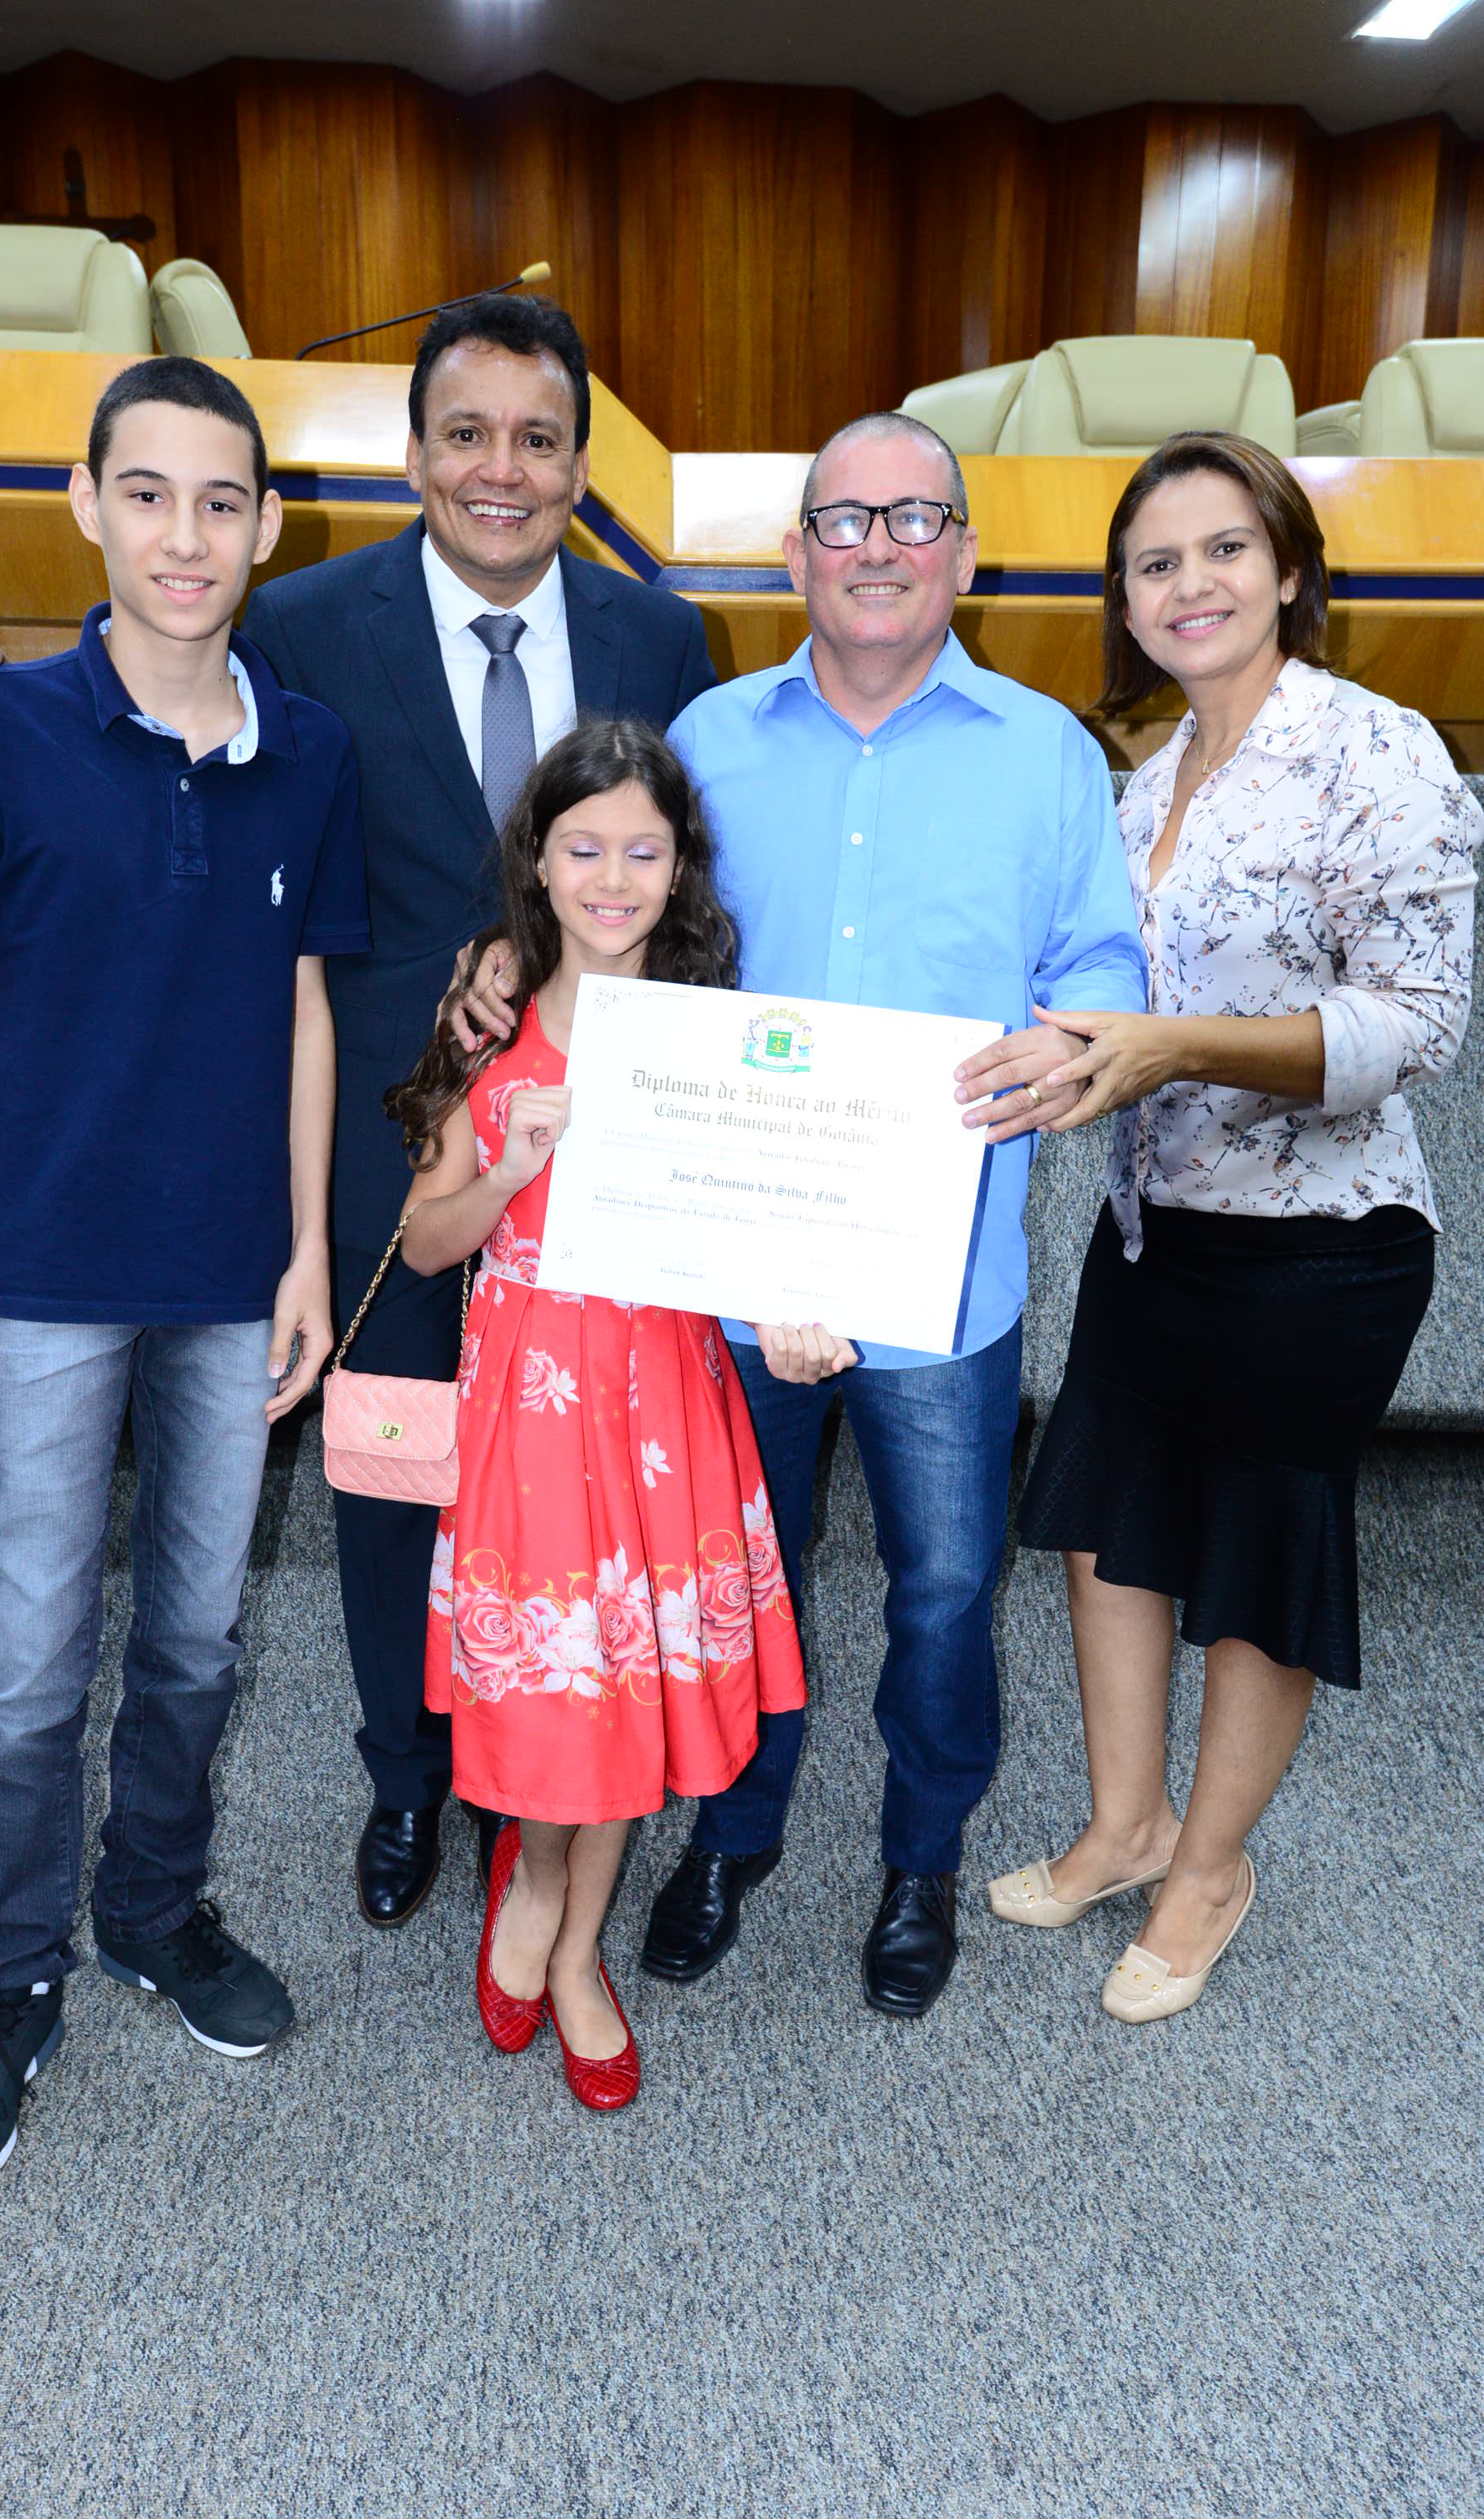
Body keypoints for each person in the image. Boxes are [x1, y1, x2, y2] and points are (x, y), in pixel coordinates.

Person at [0, 293, 718, 1937]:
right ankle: (406, 1772)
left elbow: (678, 865)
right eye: (465, 434)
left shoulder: (662, 638)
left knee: (569, 1472)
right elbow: (164, 689)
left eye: (538, 439)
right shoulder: (307, 620)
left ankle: (536, 1777)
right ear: (411, 454)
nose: (501, 469)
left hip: (595, 1142)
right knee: (392, 1465)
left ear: (580, 465)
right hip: (377, 1150)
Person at [459, 411, 1148, 2017]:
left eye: (917, 519)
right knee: (730, 1567)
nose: (880, 547)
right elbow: (620, 915)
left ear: (966, 555)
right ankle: (732, 1834)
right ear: (796, 555)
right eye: (846, 519)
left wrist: (1077, 1042)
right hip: (723, 1268)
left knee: (946, 1590)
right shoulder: (710, 733)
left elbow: (1102, 965)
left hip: (936, 1274)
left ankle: (921, 1859)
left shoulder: (1047, 752)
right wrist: (508, 960)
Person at [0, 358, 371, 2189]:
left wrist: (309, 1248)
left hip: (233, 1275)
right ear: (86, 504)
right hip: (33, 1272)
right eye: (147, 494)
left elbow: (308, 1011)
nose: (186, 535)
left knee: (195, 1635)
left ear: (266, 527)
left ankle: (153, 1905)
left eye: (221, 501)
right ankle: (8, 1972)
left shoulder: (310, 750)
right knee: (28, 1663)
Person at [969, 430, 1478, 2020]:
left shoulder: (1378, 749)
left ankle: (1209, 1869)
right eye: (1155, 563)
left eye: (1224, 549)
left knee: (1258, 1558)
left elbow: (1421, 1021)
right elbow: (1098, 994)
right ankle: (1126, 1825)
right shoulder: (1137, 783)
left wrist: (1175, 1047)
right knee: (1106, 1522)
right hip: (1153, 1228)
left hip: (1320, 1244)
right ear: (1124, 602)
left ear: (1291, 571)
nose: (1190, 583)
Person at [384, 719, 806, 2109]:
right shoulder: (484, 1024)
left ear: (680, 866)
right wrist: (508, 1169)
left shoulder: (713, 1039)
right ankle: (537, 1877)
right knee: (555, 1682)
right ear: (538, 862)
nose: (613, 879)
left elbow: (754, 1230)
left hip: (664, 1399)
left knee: (634, 1683)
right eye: (584, 849)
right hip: (532, 1401)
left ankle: (574, 1951)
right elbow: (426, 1244)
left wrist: (793, 1308)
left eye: (643, 849)